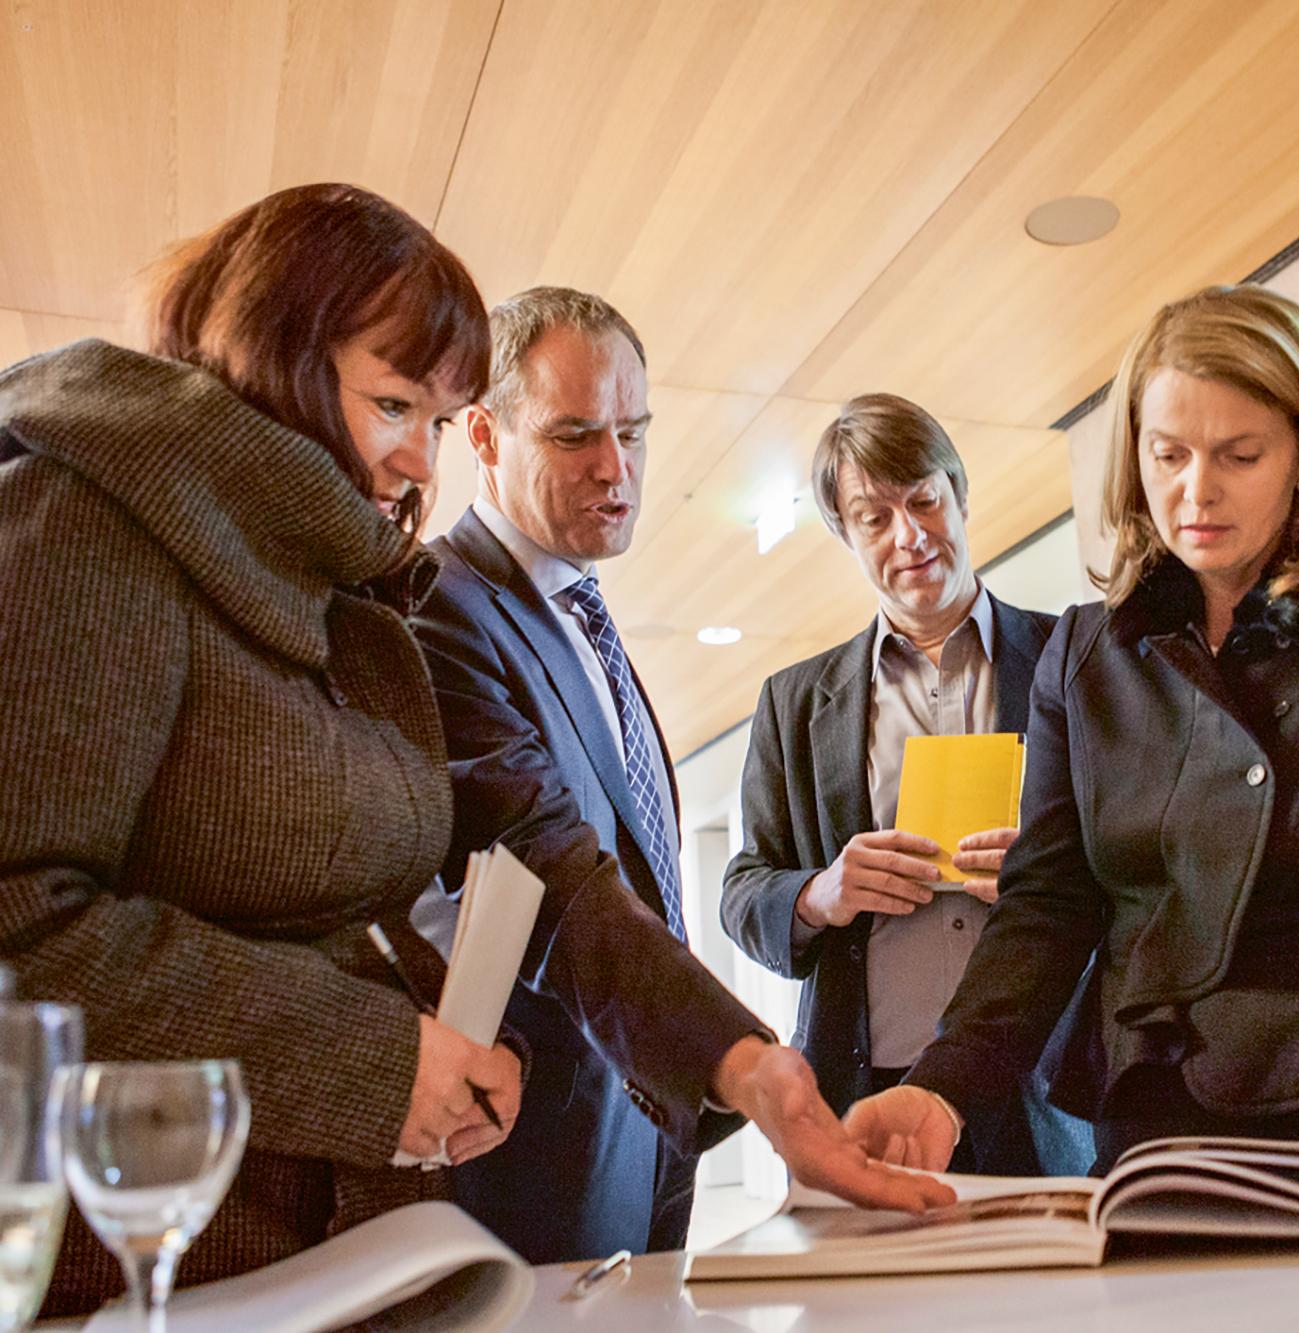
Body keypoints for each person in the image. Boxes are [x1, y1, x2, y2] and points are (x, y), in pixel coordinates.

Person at [844, 286, 1299, 1174]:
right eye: (1168, 455)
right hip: (1152, 1111)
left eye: (1240, 454)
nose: (1196, 491)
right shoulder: (1085, 652)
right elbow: (1047, 906)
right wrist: (942, 1086)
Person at [0, 183, 523, 1315]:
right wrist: (370, 1060)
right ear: (271, 353)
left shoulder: (328, 586)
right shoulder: (83, 517)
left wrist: (438, 1037)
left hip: (341, 1252)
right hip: (150, 1270)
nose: (421, 462)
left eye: (441, 421)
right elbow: (18, 925)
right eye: (394, 403)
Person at [413, 293, 952, 1262]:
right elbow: (551, 877)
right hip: (538, 1148)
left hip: (648, 1130)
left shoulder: (576, 610)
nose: (615, 467)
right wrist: (748, 1065)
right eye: (575, 434)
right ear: (484, 435)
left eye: (633, 433)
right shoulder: (441, 610)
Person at [719, 393, 1091, 1175]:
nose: (909, 535)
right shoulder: (795, 702)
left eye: (924, 500)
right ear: (845, 535)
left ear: (960, 494)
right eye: (874, 518)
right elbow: (743, 890)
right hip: (867, 1087)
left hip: (1043, 1079)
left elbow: (1140, 854)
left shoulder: (1075, 660)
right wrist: (819, 892)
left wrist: (1051, 875)